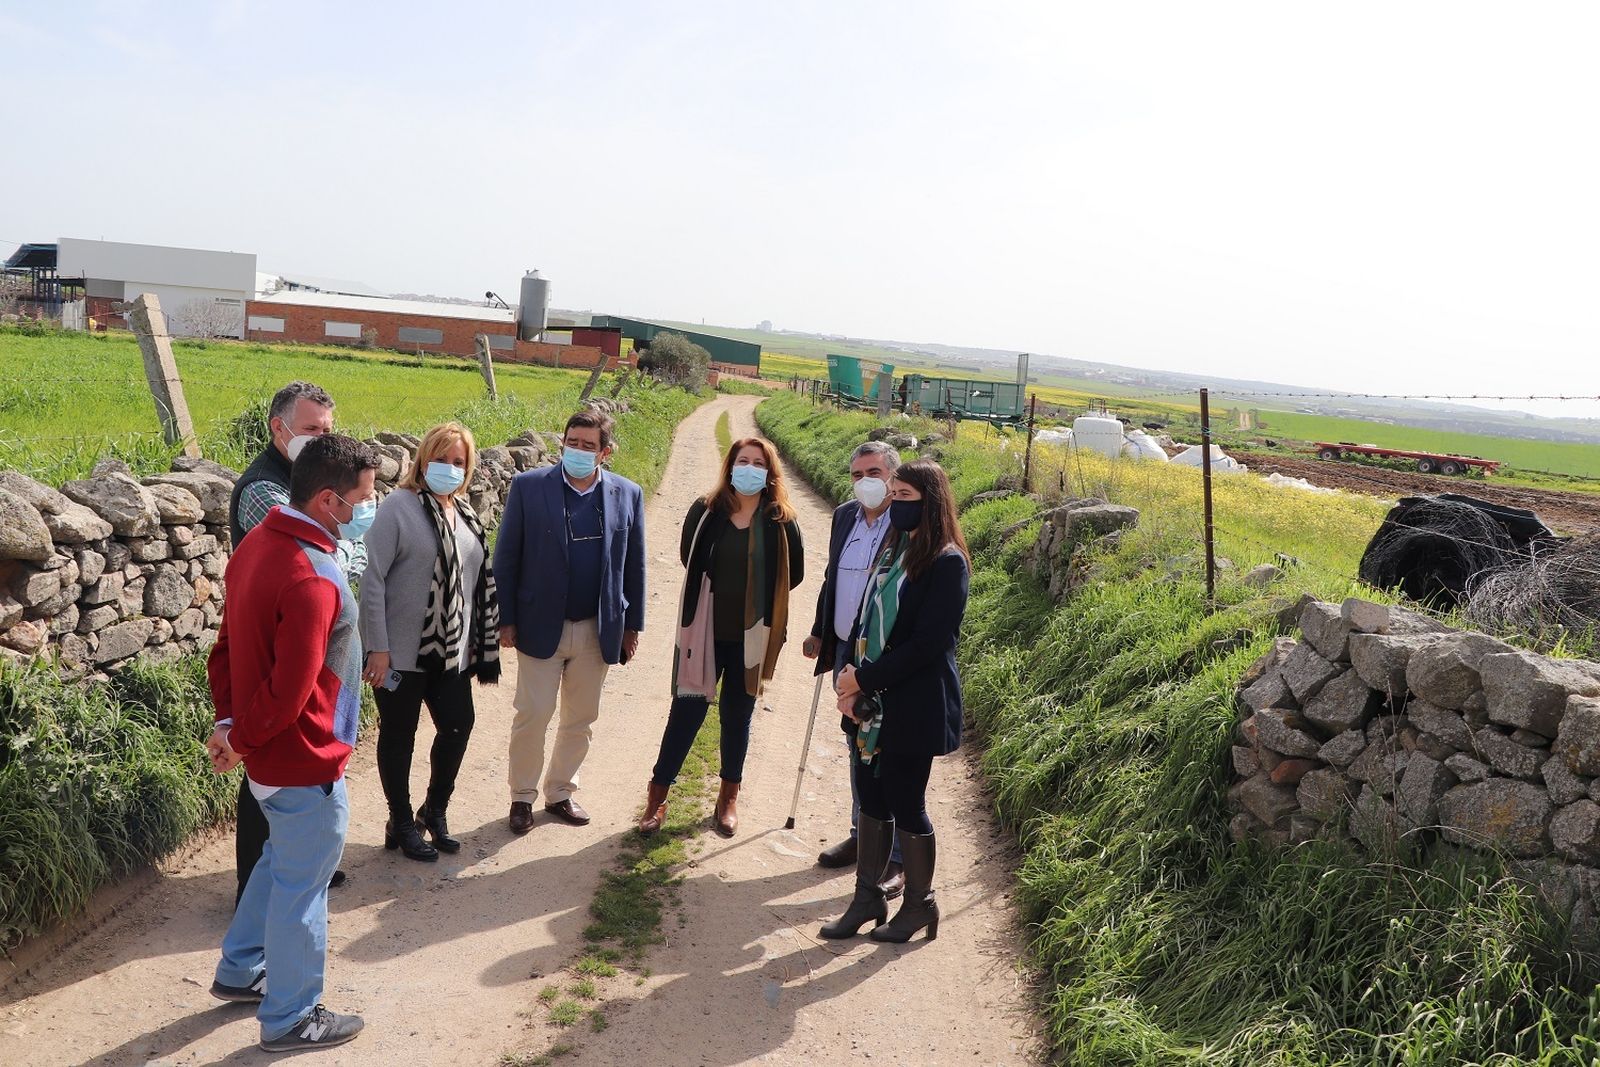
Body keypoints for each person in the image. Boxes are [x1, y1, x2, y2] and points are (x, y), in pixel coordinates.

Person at [204, 434, 379, 1052]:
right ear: (330, 501)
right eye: (364, 497)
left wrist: (230, 728)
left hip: (268, 758)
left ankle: (240, 968)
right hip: (303, 758)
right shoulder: (313, 576)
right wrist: (243, 738)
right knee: (305, 885)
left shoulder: (256, 545)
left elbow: (223, 649)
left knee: (282, 861)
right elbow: (291, 691)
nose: (369, 507)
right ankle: (291, 1017)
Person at [819, 459, 970, 944]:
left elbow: (928, 644)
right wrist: (853, 680)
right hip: (872, 703)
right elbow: (866, 620)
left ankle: (920, 905)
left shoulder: (947, 562)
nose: (895, 504)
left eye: (905, 497)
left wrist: (863, 678)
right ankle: (867, 898)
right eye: (894, 495)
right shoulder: (892, 551)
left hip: (913, 705)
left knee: (907, 801)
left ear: (931, 502)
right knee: (871, 798)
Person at [227, 381, 363, 903]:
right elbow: (330, 561)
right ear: (277, 429)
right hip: (274, 642)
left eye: (328, 430)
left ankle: (301, 868)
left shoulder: (306, 484)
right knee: (269, 768)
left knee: (282, 775)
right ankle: (256, 891)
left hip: (303, 637)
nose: (321, 439)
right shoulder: (266, 488)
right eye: (311, 430)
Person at [639, 437, 804, 838]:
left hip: (752, 637)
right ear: (730, 467)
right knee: (686, 712)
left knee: (737, 716)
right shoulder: (706, 510)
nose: (749, 468)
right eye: (742, 461)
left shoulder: (781, 518)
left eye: (758, 463)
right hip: (704, 631)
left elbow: (793, 573)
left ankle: (728, 798)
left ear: (769, 472)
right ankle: (657, 797)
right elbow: (688, 557)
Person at [494, 410, 645, 832]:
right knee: (533, 714)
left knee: (581, 718)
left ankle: (560, 792)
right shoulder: (529, 488)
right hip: (541, 623)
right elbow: (506, 557)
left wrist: (631, 626)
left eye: (588, 445)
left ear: (605, 452)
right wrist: (506, 618)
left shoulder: (627, 494)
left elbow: (635, 564)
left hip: (598, 628)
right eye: (572, 442)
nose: (577, 451)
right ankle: (521, 797)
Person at [359, 423, 501, 862]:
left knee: (458, 725)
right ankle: (400, 820)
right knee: (399, 736)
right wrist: (377, 648)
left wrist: (477, 640)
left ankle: (434, 811)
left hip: (451, 653)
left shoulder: (465, 513)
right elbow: (373, 579)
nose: (450, 468)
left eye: (459, 462)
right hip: (399, 653)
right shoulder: (399, 508)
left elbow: (474, 583)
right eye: (441, 459)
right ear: (423, 460)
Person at [802, 441, 905, 898]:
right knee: (855, 741)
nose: (865, 480)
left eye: (874, 471)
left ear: (893, 476)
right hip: (846, 646)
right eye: (857, 472)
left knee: (892, 747)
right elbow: (833, 577)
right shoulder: (845, 515)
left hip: (883, 653)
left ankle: (898, 855)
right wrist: (820, 630)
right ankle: (863, 834)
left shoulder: (905, 522)